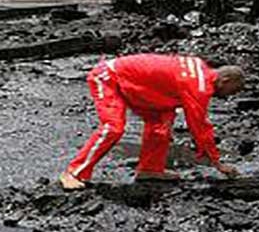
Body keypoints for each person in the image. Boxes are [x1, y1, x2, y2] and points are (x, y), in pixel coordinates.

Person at [61, 53, 245, 190]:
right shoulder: (199, 87)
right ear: (225, 80)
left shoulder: (200, 67)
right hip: (108, 76)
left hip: (139, 85)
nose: (230, 97)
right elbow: (199, 126)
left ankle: (150, 168)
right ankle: (73, 172)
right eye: (233, 91)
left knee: (161, 123)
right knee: (113, 128)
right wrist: (217, 163)